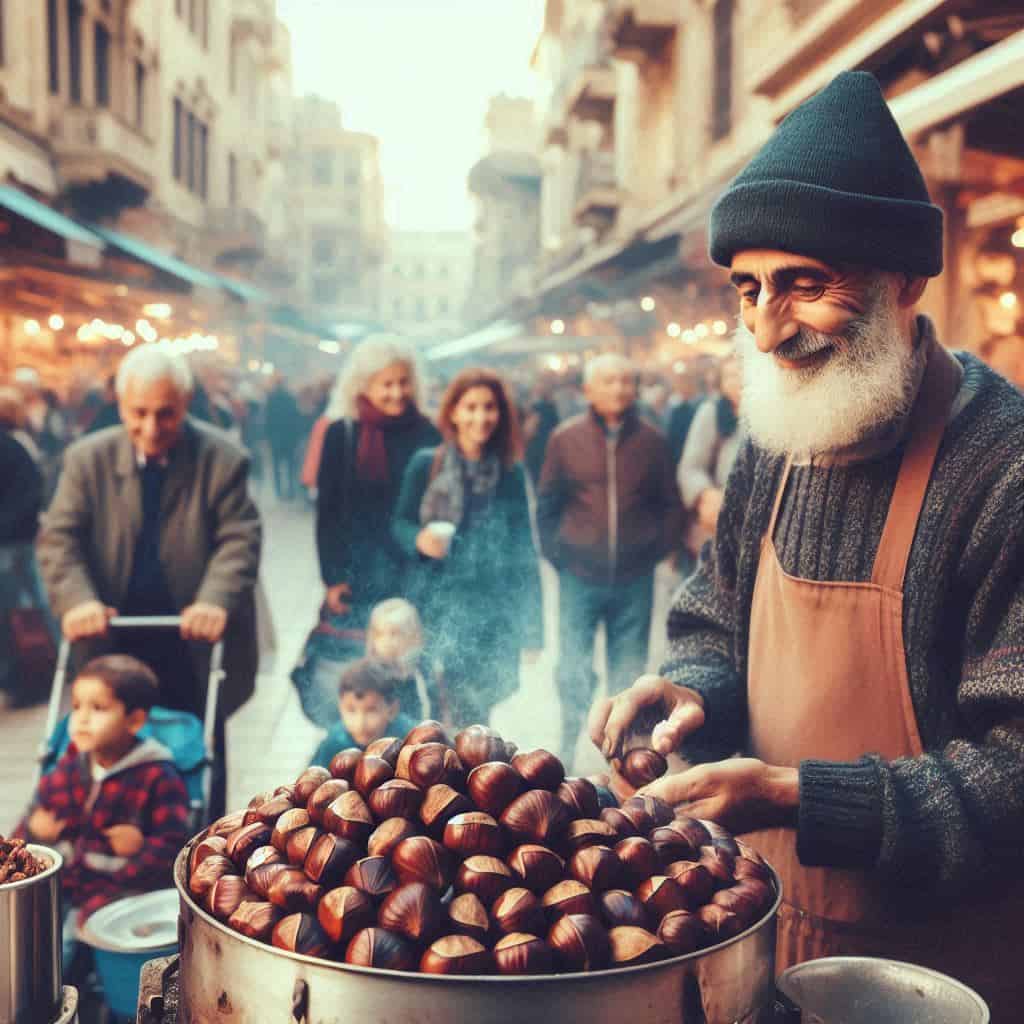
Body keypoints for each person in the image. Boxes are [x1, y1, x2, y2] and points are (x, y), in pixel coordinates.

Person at [588, 71, 1024, 1020]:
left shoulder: (1003, 467)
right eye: (748, 288)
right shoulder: (776, 441)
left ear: (905, 282)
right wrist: (688, 694)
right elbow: (711, 619)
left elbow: (1016, 772)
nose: (766, 328)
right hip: (766, 924)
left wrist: (795, 795)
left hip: (945, 966)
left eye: (804, 285)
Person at [36, 345, 262, 820]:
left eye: (167, 413)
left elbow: (239, 539)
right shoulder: (86, 460)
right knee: (106, 747)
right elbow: (59, 539)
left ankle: (200, 850)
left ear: (185, 404)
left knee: (197, 751)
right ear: (120, 406)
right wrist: (77, 600)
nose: (152, 428)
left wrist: (214, 600)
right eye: (139, 413)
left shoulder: (221, 459)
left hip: (191, 641)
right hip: (111, 639)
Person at [537, 353, 683, 766]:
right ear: (588, 390)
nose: (619, 388)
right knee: (573, 667)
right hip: (579, 576)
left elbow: (669, 503)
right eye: (608, 381)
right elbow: (547, 505)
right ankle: (567, 741)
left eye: (625, 380)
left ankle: (624, 755)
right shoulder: (564, 439)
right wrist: (560, 555)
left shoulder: (653, 441)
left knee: (629, 670)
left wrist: (655, 549)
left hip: (634, 578)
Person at [392, 368, 542, 729]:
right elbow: (398, 523)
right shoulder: (427, 464)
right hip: (435, 606)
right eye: (470, 406)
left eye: (489, 407)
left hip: (491, 614)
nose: (480, 417)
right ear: (453, 412)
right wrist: (418, 539)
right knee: (439, 709)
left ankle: (466, 777)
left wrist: (533, 631)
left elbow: (524, 551)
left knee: (476, 713)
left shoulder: (511, 473)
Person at [18, 655, 190, 965]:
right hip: (65, 884)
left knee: (66, 947)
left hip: (123, 891)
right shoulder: (69, 767)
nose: (80, 719)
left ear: (134, 721)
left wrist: (141, 848)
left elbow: (176, 847)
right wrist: (35, 828)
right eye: (76, 706)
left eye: (97, 709)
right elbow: (31, 822)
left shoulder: (156, 776)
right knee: (28, 928)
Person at [314, 336, 440, 659]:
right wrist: (333, 577)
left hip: (413, 571)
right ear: (363, 385)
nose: (397, 393)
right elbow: (327, 512)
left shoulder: (429, 433)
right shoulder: (341, 434)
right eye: (386, 384)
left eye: (403, 382)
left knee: (409, 665)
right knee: (359, 670)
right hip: (358, 573)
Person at [0, 386, 50, 708]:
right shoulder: (18, 443)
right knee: (24, 609)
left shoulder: (9, 446)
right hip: (17, 538)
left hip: (10, 541)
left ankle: (27, 674)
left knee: (16, 613)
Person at [676, 350, 745, 569]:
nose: (740, 381)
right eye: (731, 376)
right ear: (721, 382)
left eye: (745, 373)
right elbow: (690, 468)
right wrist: (707, 495)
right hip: (722, 523)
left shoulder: (773, 413)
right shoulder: (712, 412)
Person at [308, 657, 419, 768]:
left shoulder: (407, 737)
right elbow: (315, 776)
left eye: (371, 710)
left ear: (392, 710)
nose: (360, 723)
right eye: (351, 710)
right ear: (340, 707)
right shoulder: (334, 742)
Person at [365, 597, 438, 722]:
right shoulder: (370, 674)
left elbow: (441, 704)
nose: (386, 641)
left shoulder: (425, 668)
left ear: (413, 635)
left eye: (394, 633)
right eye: (379, 634)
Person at [265, 375, 303, 501]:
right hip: (289, 438)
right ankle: (291, 490)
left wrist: (268, 437)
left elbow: (267, 420)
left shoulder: (271, 398)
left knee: (277, 467)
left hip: (276, 437)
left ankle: (279, 492)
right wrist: (297, 437)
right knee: (290, 466)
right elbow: (296, 419)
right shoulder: (290, 398)